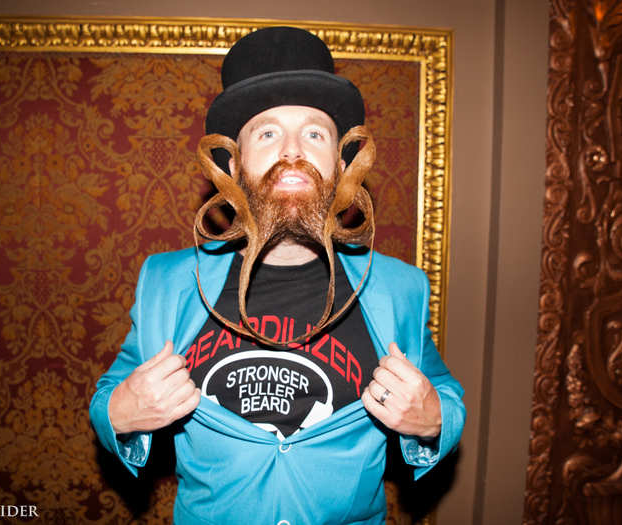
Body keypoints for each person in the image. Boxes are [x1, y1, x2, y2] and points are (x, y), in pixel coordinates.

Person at [90, 26, 465, 525]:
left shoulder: (400, 289)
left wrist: (436, 422)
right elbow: (109, 397)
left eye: (315, 133)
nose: (293, 152)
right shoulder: (167, 282)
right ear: (234, 163)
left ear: (340, 161)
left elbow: (443, 394)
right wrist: (119, 414)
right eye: (267, 133)